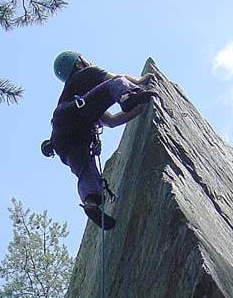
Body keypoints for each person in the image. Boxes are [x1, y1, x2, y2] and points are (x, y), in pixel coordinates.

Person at [41, 51, 157, 230]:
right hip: (75, 119)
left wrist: (138, 110)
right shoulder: (88, 72)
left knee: (86, 169)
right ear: (78, 63)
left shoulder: (78, 95)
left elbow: (110, 121)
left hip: (63, 140)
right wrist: (139, 83)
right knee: (115, 85)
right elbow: (117, 79)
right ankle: (128, 95)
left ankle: (91, 202)